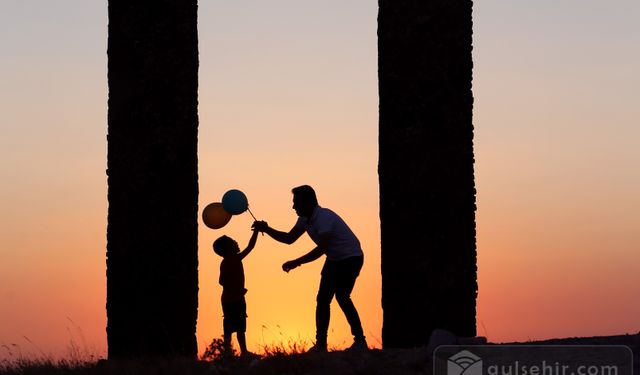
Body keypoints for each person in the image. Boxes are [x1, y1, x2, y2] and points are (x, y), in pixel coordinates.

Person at [253, 185, 367, 352]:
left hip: (351, 258)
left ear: (308, 203)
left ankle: (360, 341)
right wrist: (266, 229)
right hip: (334, 259)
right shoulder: (304, 219)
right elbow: (289, 238)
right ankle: (321, 345)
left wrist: (296, 262)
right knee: (322, 301)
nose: (293, 207)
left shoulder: (324, 218)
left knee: (342, 296)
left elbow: (321, 249)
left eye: (296, 203)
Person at [213, 226, 260, 357]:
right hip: (232, 299)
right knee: (232, 327)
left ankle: (238, 352)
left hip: (234, 298)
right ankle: (231, 352)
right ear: (228, 249)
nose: (235, 242)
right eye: (232, 242)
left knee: (238, 327)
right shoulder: (230, 261)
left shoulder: (231, 260)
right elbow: (222, 281)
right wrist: (236, 289)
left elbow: (250, 247)